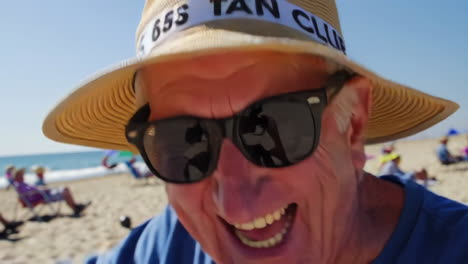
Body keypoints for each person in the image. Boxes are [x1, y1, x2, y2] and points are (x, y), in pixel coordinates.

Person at [42, 0, 468, 263]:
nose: (238, 205)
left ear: (352, 123)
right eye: (184, 142)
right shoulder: (175, 242)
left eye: (272, 128)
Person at [12, 168, 90, 216]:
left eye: (22, 174)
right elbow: (31, 192)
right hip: (42, 197)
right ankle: (75, 207)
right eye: (20, 174)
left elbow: (33, 189)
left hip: (44, 194)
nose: (22, 175)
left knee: (65, 189)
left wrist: (42, 188)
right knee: (65, 191)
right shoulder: (19, 185)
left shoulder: (23, 184)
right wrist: (42, 189)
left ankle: (76, 207)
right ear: (16, 176)